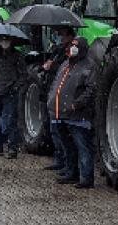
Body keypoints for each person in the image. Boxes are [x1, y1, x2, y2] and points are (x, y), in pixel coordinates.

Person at [47, 36, 99, 188]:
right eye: (71, 45)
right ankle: (72, 172)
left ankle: (86, 178)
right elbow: (56, 84)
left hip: (78, 115)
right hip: (61, 112)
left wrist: (77, 105)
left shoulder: (89, 66)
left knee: (83, 146)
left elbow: (91, 90)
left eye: (76, 46)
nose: (72, 48)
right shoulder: (66, 64)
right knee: (67, 145)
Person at [42, 26, 78, 172]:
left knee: (61, 132)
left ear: (70, 36)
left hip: (62, 98)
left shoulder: (70, 53)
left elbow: (65, 69)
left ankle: (66, 162)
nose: (60, 38)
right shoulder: (57, 50)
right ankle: (59, 159)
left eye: (62, 35)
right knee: (54, 129)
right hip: (53, 93)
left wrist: (53, 65)